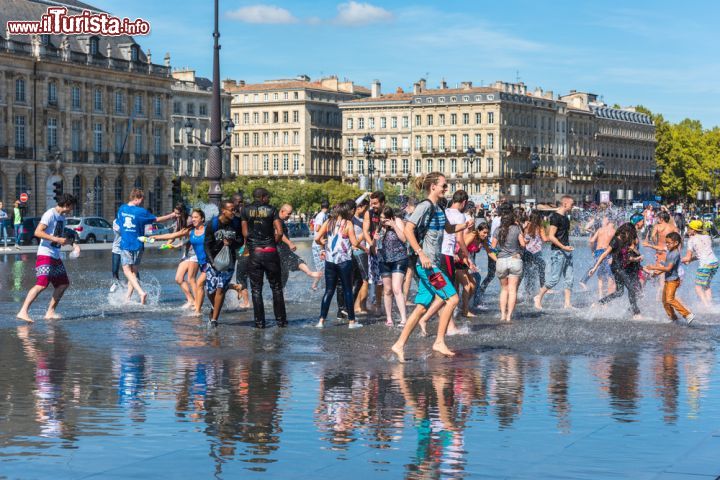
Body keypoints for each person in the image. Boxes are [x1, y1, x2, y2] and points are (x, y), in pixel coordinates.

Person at [391, 172, 472, 362]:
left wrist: (465, 225)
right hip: (428, 266)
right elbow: (409, 229)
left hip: (432, 264)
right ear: (433, 187)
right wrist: (421, 252)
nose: (446, 189)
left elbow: (448, 229)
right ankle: (439, 341)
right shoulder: (425, 206)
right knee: (452, 299)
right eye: (444, 185)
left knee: (420, 308)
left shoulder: (438, 208)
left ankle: (399, 344)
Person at [17, 194, 79, 322]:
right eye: (71, 206)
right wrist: (56, 239)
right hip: (45, 254)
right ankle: (23, 311)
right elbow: (37, 232)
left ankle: (50, 312)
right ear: (66, 204)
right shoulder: (50, 214)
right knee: (42, 284)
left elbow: (60, 236)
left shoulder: (62, 217)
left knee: (63, 284)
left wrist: (73, 245)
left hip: (55, 255)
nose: (72, 209)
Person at [117, 188, 176, 304]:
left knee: (126, 271)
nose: (142, 203)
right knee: (133, 271)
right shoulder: (141, 212)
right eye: (141, 200)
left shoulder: (121, 209)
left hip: (126, 244)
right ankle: (127, 297)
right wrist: (171, 215)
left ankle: (140, 292)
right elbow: (156, 219)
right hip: (139, 244)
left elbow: (119, 225)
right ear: (136, 198)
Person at [241, 188, 287, 328]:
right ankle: (281, 321)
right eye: (268, 197)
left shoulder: (245, 210)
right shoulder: (272, 210)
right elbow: (279, 232)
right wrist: (272, 243)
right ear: (262, 197)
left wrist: (253, 243)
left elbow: (245, 232)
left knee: (256, 289)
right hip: (270, 251)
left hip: (255, 252)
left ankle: (259, 323)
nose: (269, 199)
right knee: (277, 288)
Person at [150, 209, 208, 314]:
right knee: (183, 279)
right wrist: (155, 237)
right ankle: (196, 304)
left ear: (202, 219)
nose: (193, 219)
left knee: (198, 282)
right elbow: (173, 236)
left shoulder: (208, 230)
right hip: (200, 262)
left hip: (209, 262)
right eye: (193, 217)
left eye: (196, 217)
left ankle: (198, 309)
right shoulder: (190, 231)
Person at [315, 200, 362, 329]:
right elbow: (354, 243)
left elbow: (316, 238)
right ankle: (352, 322)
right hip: (344, 261)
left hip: (330, 261)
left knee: (329, 290)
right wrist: (364, 243)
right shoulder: (348, 224)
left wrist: (323, 245)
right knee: (347, 290)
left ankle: (321, 321)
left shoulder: (328, 222)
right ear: (345, 211)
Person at [588, 223, 644, 319]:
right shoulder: (615, 240)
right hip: (617, 268)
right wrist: (595, 267)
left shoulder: (625, 240)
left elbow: (629, 254)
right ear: (625, 231)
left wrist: (637, 255)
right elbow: (605, 254)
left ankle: (599, 303)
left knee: (619, 292)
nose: (631, 236)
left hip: (622, 268)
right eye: (630, 233)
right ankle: (636, 313)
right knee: (631, 288)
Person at [204, 200, 243, 326]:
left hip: (229, 261)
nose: (234, 212)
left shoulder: (236, 223)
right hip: (213, 260)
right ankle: (214, 305)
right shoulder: (213, 224)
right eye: (231, 210)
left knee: (221, 288)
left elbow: (241, 241)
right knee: (210, 291)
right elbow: (206, 244)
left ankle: (214, 320)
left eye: (235, 209)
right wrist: (212, 262)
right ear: (223, 211)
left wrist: (232, 243)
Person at [534, 196, 575, 310]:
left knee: (569, 278)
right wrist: (563, 247)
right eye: (572, 204)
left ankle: (567, 304)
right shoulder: (555, 217)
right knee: (554, 279)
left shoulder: (566, 218)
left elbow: (563, 235)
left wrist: (567, 247)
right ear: (565, 203)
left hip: (566, 251)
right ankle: (538, 297)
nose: (573, 206)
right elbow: (551, 237)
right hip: (558, 252)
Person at [647, 231, 695, 324]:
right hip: (668, 280)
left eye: (669, 243)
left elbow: (668, 268)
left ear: (676, 243)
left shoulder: (675, 254)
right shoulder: (670, 252)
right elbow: (667, 266)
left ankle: (688, 314)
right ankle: (673, 318)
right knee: (664, 301)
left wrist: (654, 267)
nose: (667, 245)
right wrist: (658, 272)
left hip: (673, 281)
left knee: (670, 299)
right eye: (666, 243)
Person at [278, 203, 323, 288]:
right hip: (278, 250)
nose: (290, 216)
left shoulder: (281, 221)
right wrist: (290, 243)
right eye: (288, 214)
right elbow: (278, 233)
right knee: (296, 262)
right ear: (282, 211)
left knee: (284, 274)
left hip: (283, 250)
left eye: (291, 214)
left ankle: (279, 297)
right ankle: (310, 273)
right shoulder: (276, 220)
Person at [377, 206, 409, 327]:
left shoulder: (398, 221)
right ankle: (389, 318)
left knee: (396, 288)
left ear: (390, 217)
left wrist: (394, 225)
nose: (383, 221)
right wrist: (374, 240)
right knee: (387, 290)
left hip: (399, 258)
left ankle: (403, 319)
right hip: (384, 260)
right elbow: (376, 246)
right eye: (381, 218)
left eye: (385, 219)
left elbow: (404, 239)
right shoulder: (379, 227)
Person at [491, 210, 524, 323]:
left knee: (504, 289)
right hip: (515, 260)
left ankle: (502, 315)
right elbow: (523, 244)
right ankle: (509, 316)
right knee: (512, 290)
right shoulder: (517, 229)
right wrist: (519, 250)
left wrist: (500, 253)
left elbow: (493, 246)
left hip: (501, 261)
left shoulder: (497, 230)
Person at [682, 219, 718, 308]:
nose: (687, 229)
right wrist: (690, 260)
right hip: (714, 263)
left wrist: (676, 260)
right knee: (706, 285)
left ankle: (706, 307)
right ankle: (710, 304)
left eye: (689, 228)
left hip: (705, 265)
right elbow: (701, 254)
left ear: (693, 230)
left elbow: (687, 257)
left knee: (698, 287)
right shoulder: (707, 236)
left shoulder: (691, 240)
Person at [581, 215, 616, 298]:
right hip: (606, 253)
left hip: (597, 252)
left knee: (600, 274)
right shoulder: (614, 231)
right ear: (613, 222)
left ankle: (600, 296)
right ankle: (607, 296)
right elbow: (616, 246)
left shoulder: (600, 230)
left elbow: (592, 241)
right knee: (609, 275)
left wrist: (592, 251)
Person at [364, 191, 386, 313]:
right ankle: (377, 304)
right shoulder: (369, 213)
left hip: (388, 250)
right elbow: (365, 230)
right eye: (371, 203)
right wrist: (371, 244)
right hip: (374, 249)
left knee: (388, 279)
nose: (373, 206)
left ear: (382, 202)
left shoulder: (388, 212)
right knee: (377, 279)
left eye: (375, 203)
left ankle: (386, 302)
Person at [229, 193, 250, 308]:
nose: (241, 204)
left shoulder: (244, 215)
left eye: (242, 202)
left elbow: (246, 233)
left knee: (241, 276)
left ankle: (246, 302)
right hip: (232, 249)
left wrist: (246, 246)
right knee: (226, 274)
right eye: (239, 202)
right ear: (233, 203)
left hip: (243, 248)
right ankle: (238, 293)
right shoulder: (231, 216)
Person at [522, 210, 548, 300]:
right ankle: (542, 287)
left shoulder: (526, 227)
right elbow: (545, 239)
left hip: (527, 253)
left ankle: (528, 293)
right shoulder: (540, 227)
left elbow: (522, 238)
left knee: (528, 273)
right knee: (541, 267)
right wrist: (553, 237)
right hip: (536, 253)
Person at [351, 197, 370, 314]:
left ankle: (357, 305)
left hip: (360, 251)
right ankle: (360, 306)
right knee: (364, 280)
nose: (366, 210)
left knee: (359, 280)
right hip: (359, 251)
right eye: (366, 208)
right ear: (359, 207)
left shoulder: (360, 218)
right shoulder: (352, 219)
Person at [311, 200, 330, 290]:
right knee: (321, 268)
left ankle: (323, 287)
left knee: (324, 268)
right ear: (328, 207)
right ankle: (314, 286)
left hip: (321, 244)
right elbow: (318, 228)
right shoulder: (321, 215)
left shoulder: (323, 215)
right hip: (318, 245)